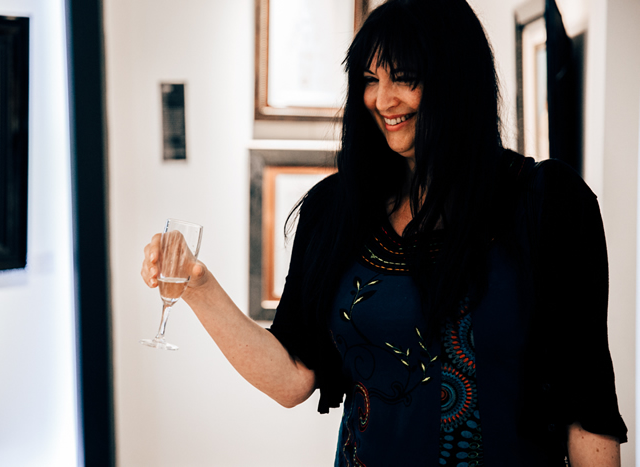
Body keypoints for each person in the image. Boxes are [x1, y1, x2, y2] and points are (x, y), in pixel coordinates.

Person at [141, 0, 627, 464]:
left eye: (404, 79)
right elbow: (292, 377)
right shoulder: (336, 209)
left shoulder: (547, 203)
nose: (382, 100)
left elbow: (589, 408)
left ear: (457, 81)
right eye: (371, 80)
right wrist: (198, 286)